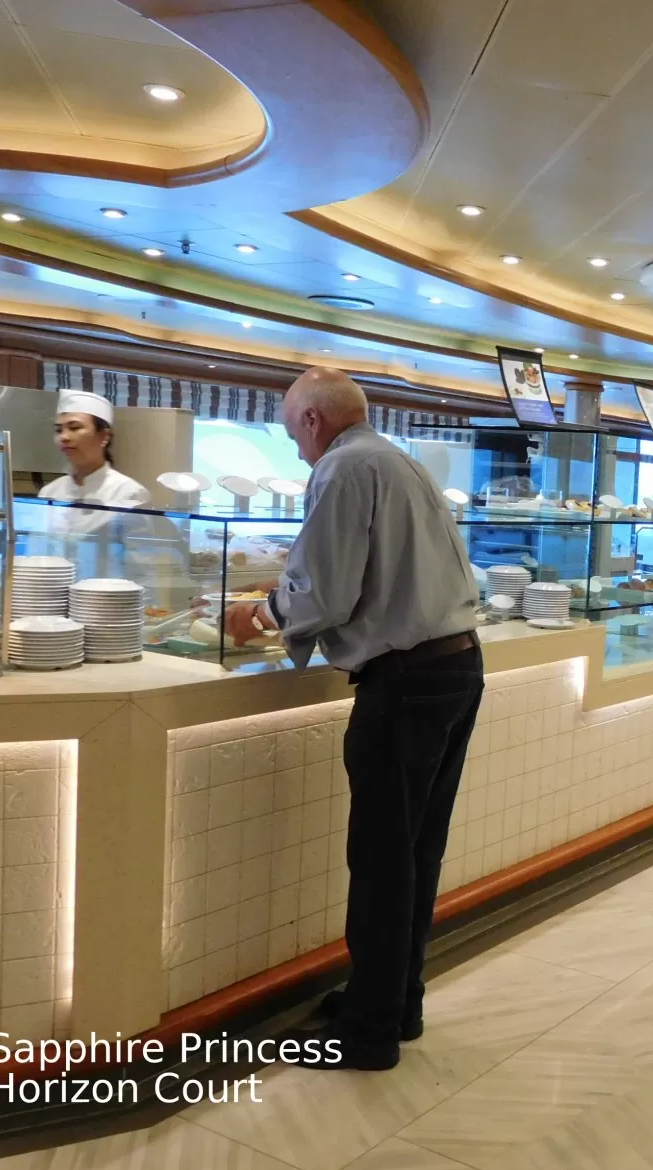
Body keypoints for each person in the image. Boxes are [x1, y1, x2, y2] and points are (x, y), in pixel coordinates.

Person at [223, 367, 482, 1071]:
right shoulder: (396, 459)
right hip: (456, 668)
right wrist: (291, 594)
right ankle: (397, 1003)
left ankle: (367, 1033)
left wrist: (259, 615)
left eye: (292, 435)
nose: (296, 449)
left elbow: (325, 595)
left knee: (380, 860)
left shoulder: (342, 468)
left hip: (406, 682)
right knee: (414, 854)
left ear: (313, 420)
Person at [38, 390, 150, 531]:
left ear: (105, 436)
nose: (64, 437)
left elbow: (138, 545)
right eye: (59, 430)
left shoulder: (128, 493)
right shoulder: (49, 492)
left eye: (74, 428)